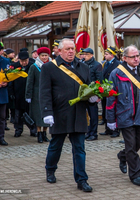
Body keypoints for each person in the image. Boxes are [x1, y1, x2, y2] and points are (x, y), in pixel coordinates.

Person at [40, 38, 95, 192]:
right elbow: (44, 92)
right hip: (59, 114)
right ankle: (50, 169)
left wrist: (92, 98)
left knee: (79, 149)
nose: (71, 51)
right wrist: (47, 112)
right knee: (55, 146)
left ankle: (82, 180)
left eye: (73, 49)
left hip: (78, 114)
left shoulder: (83, 67)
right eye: (67, 49)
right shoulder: (49, 67)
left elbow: (89, 87)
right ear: (59, 51)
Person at [106, 45, 140, 186]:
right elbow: (110, 98)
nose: (136, 59)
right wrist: (110, 119)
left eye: (138, 56)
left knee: (136, 145)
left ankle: (122, 156)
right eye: (133, 57)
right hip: (124, 115)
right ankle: (135, 175)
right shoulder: (116, 73)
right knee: (131, 145)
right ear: (124, 58)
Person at [25, 47, 51, 143]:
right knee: (38, 114)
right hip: (37, 94)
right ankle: (39, 133)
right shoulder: (34, 66)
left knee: (47, 114)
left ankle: (45, 133)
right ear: (39, 56)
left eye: (46, 55)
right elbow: (30, 82)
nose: (44, 57)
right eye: (42, 55)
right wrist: (28, 95)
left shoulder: (51, 65)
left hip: (48, 94)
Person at [10, 51, 37, 137]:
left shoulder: (33, 66)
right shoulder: (14, 66)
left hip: (30, 93)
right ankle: (18, 129)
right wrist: (11, 92)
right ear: (19, 60)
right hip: (18, 93)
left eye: (25, 60)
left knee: (31, 113)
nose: (24, 63)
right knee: (18, 114)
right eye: (22, 61)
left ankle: (33, 129)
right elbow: (10, 80)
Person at [99, 46, 121, 138]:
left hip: (113, 90)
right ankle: (108, 129)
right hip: (105, 90)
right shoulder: (105, 64)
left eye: (106, 54)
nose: (105, 55)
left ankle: (115, 130)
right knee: (106, 110)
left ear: (112, 55)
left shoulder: (117, 64)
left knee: (114, 111)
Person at [82, 48, 103, 141]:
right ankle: (89, 131)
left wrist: (98, 95)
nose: (84, 56)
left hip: (93, 94)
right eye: (84, 54)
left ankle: (94, 133)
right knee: (87, 115)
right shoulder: (82, 64)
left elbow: (99, 80)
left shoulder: (97, 65)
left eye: (86, 54)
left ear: (91, 55)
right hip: (84, 93)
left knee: (93, 115)